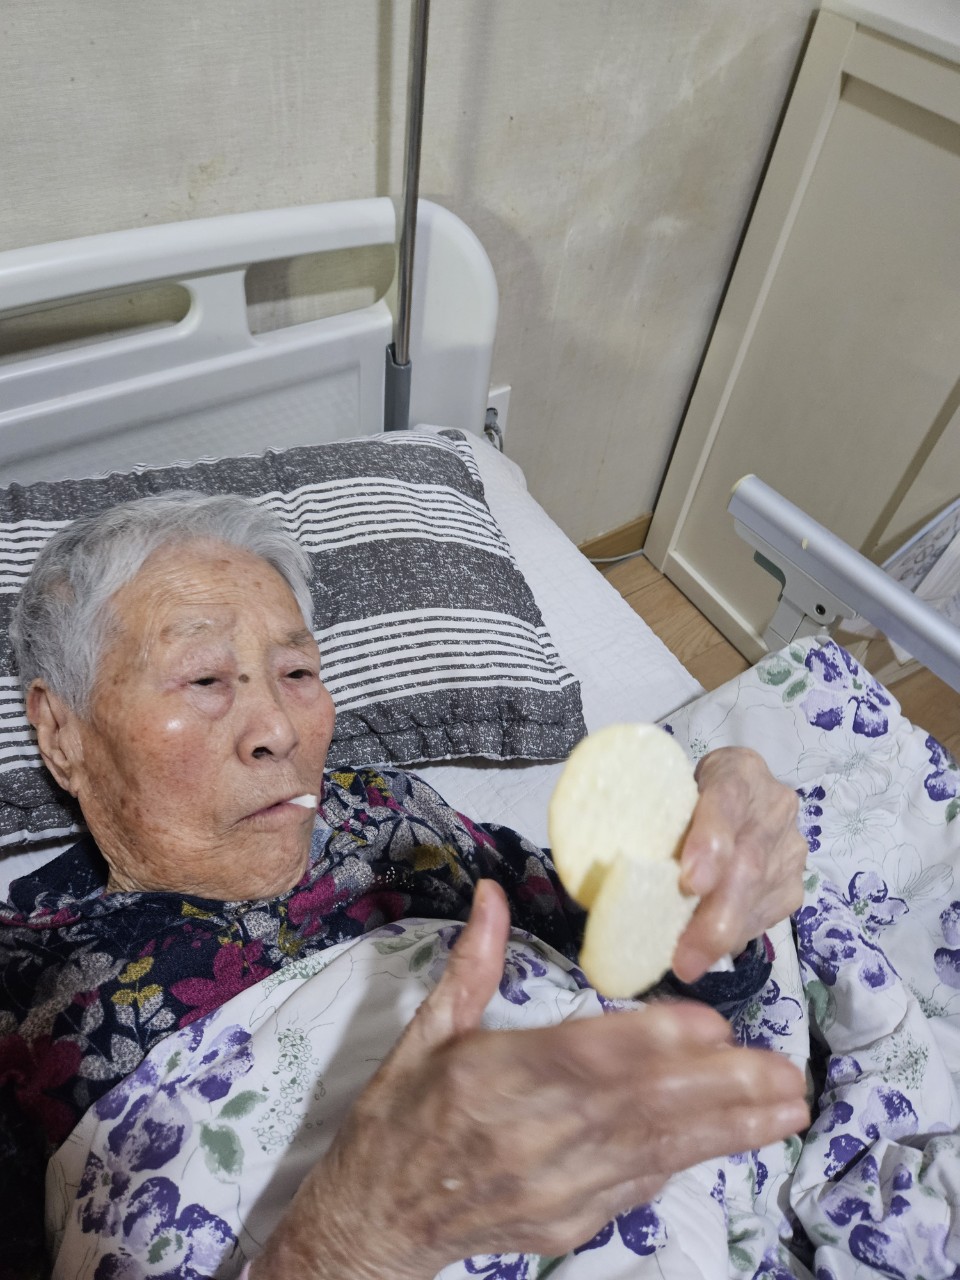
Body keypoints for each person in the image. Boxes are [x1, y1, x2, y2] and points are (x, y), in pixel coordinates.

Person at [0, 493, 808, 1280]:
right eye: (206, 680)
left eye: (298, 671)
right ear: (62, 733)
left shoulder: (386, 815)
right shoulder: (25, 977)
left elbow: (641, 976)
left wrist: (706, 886)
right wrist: (349, 1247)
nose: (279, 729)